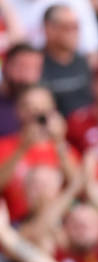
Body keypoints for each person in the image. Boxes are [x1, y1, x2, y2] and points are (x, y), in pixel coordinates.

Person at [0, 85, 79, 221]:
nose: (36, 111)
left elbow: (78, 185)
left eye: (42, 105)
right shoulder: (5, 145)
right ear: (18, 110)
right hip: (18, 222)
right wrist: (22, 149)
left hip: (59, 221)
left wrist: (59, 142)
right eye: (29, 106)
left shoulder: (64, 148)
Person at [41, 5, 93, 117]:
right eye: (68, 27)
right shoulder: (36, 63)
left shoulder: (83, 61)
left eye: (76, 27)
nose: (74, 33)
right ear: (49, 29)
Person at [0, 44, 43, 136]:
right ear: (5, 66)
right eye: (22, 67)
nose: (28, 76)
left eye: (35, 69)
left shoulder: (43, 104)